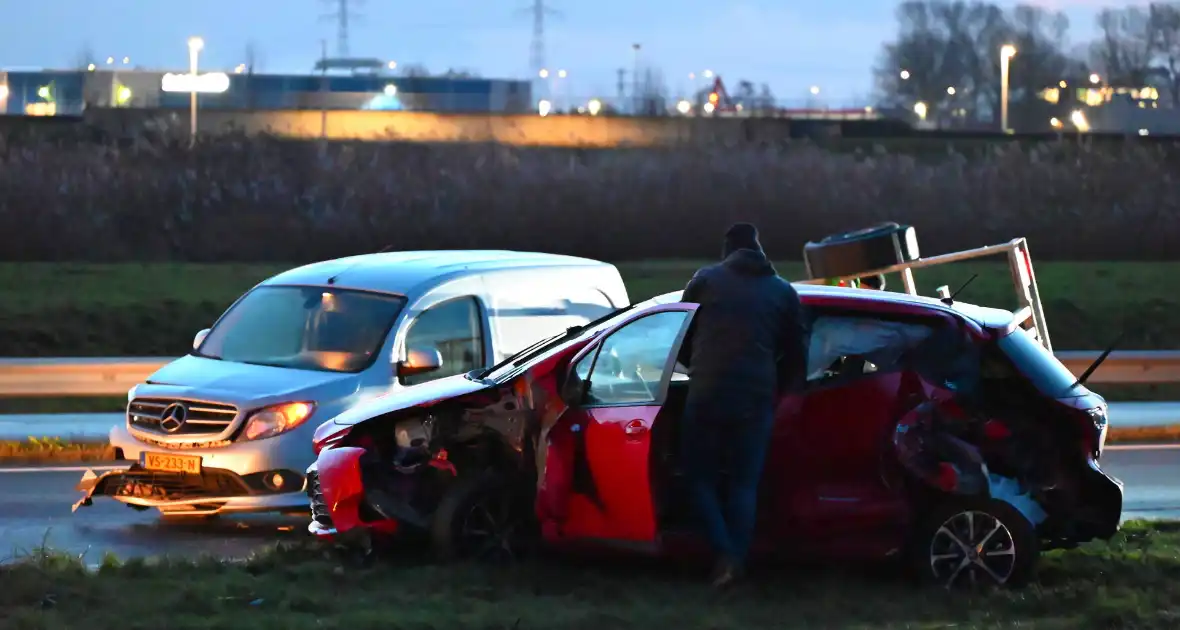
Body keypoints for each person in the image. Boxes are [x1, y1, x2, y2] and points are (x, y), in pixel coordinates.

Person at [677, 222, 808, 589]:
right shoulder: (783, 292)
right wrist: (781, 389)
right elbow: (797, 351)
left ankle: (726, 557)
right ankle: (735, 558)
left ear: (728, 251)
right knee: (744, 485)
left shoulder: (706, 280)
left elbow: (679, 335)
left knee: (698, 478)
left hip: (707, 393)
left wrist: (696, 367)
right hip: (756, 398)